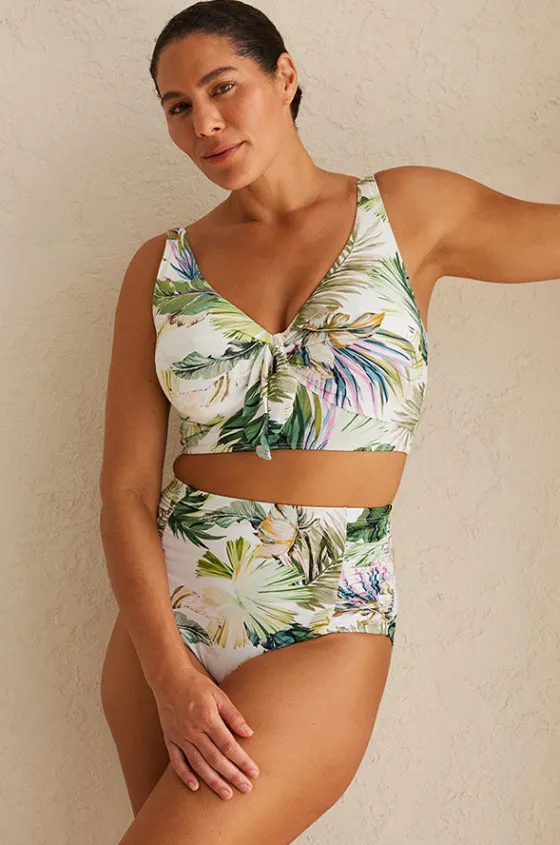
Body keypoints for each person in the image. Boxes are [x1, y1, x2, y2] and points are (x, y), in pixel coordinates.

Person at [98, 2, 560, 842]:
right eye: (177, 106)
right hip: (165, 628)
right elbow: (125, 489)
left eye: (223, 88)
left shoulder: (408, 212)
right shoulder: (160, 266)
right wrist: (167, 674)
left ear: (285, 76)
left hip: (328, 615)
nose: (204, 123)